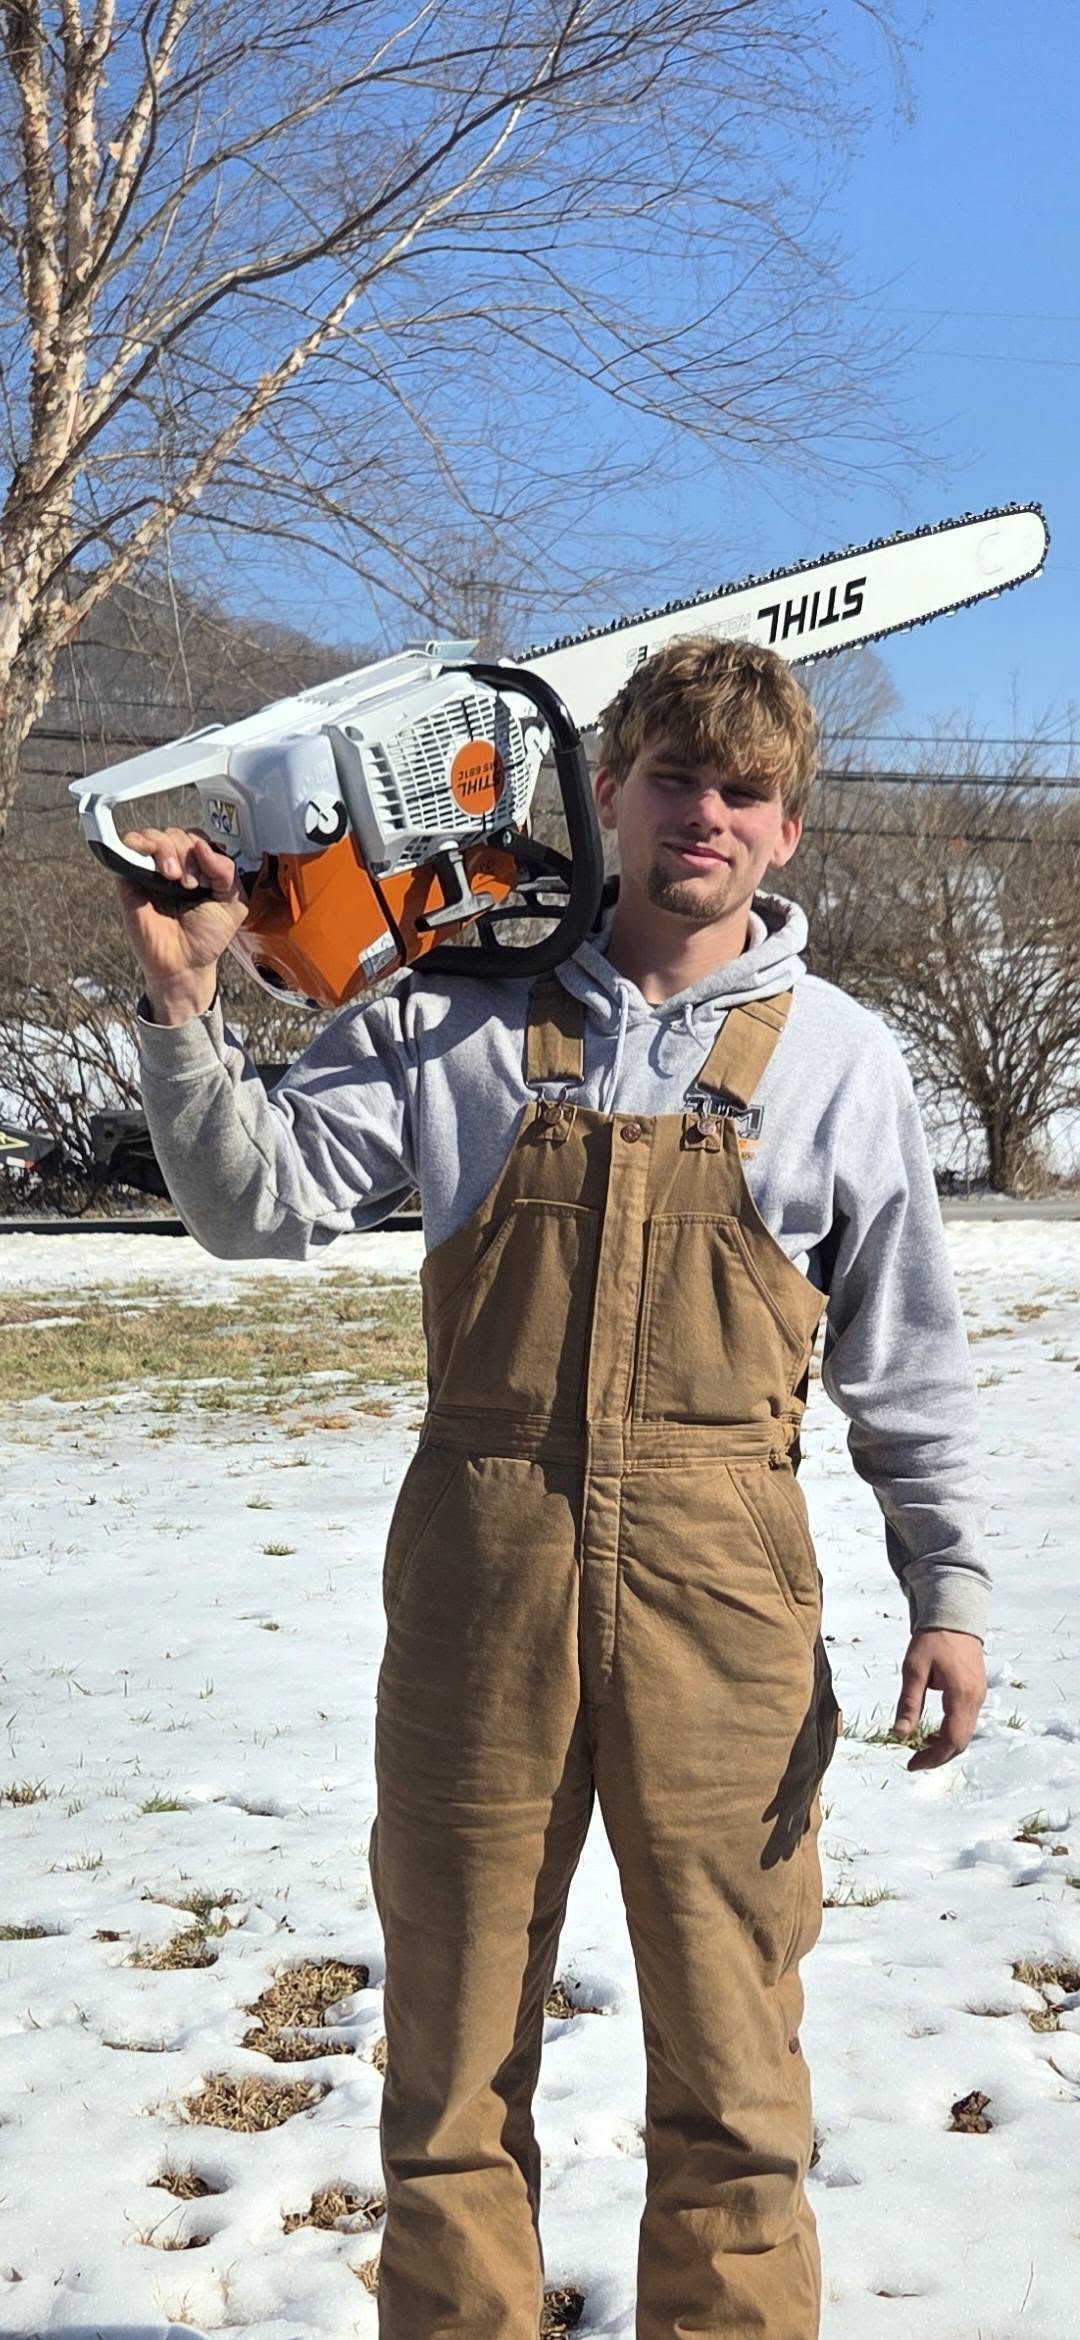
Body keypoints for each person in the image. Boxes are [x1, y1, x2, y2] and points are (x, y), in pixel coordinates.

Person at [120, 635, 988, 2340]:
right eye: (677, 778)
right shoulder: (448, 1012)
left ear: (789, 832)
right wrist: (181, 1003)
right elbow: (256, 1206)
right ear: (607, 795)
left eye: (748, 794)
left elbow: (909, 1374)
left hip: (727, 1605)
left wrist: (949, 1596)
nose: (708, 818)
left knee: (737, 2084)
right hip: (481, 1585)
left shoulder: (845, 1065)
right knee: (447, 2071)